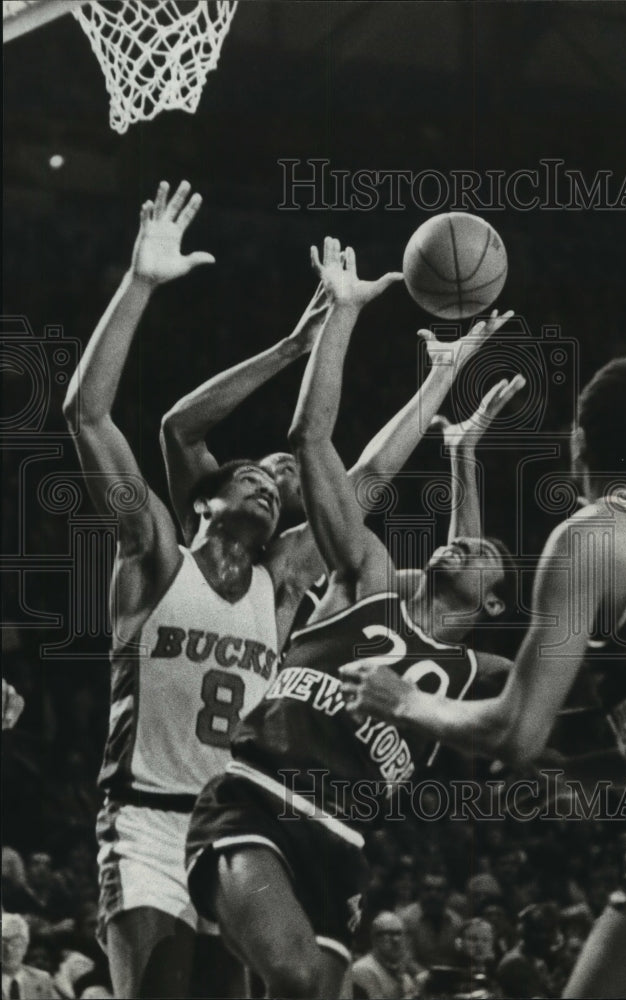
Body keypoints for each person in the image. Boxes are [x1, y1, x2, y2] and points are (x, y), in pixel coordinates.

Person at [185, 237, 518, 998]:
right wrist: (345, 311)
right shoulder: (364, 579)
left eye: (481, 551)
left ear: (495, 605)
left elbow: (466, 593)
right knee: (298, 978)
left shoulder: (475, 676)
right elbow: (324, 449)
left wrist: (465, 453)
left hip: (343, 846)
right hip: (256, 797)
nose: (463, 545)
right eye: (461, 541)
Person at [63, 180, 320, 998]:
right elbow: (88, 416)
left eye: (276, 488)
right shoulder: (155, 553)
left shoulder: (276, 586)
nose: (266, 486)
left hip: (231, 833)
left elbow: (372, 478)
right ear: (201, 498)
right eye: (247, 475)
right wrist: (139, 285)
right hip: (142, 821)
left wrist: (345, 337)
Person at [341, 357, 626, 998]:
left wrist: (402, 698)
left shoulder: (598, 537)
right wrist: (462, 457)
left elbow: (517, 730)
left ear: (578, 443)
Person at [160, 256, 518, 645]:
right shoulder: (209, 536)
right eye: (254, 474)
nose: (283, 467)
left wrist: (446, 386)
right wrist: (290, 347)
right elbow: (179, 429)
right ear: (210, 500)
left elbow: (457, 594)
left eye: (300, 471)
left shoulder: (301, 559)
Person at [351, 911, 415, 999]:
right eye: (389, 933)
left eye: (399, 933)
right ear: (374, 938)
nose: (396, 939)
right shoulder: (362, 970)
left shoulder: (403, 975)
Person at [1, 914, 58, 1000]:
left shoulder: (42, 979)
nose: (8, 949)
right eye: (2, 943)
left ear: (25, 945)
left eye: (15, 942)